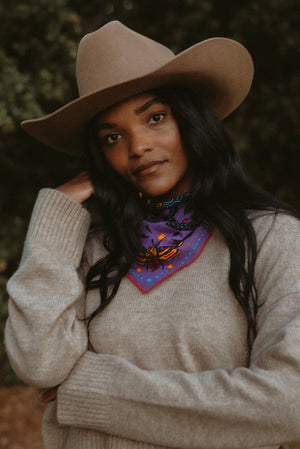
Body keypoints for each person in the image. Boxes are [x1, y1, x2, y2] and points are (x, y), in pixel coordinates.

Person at [4, 20, 300, 449]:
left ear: (191, 120)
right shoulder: (90, 252)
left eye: (156, 118)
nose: (137, 146)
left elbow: (289, 404)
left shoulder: (273, 239)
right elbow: (38, 366)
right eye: (112, 137)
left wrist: (90, 390)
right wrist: (56, 214)